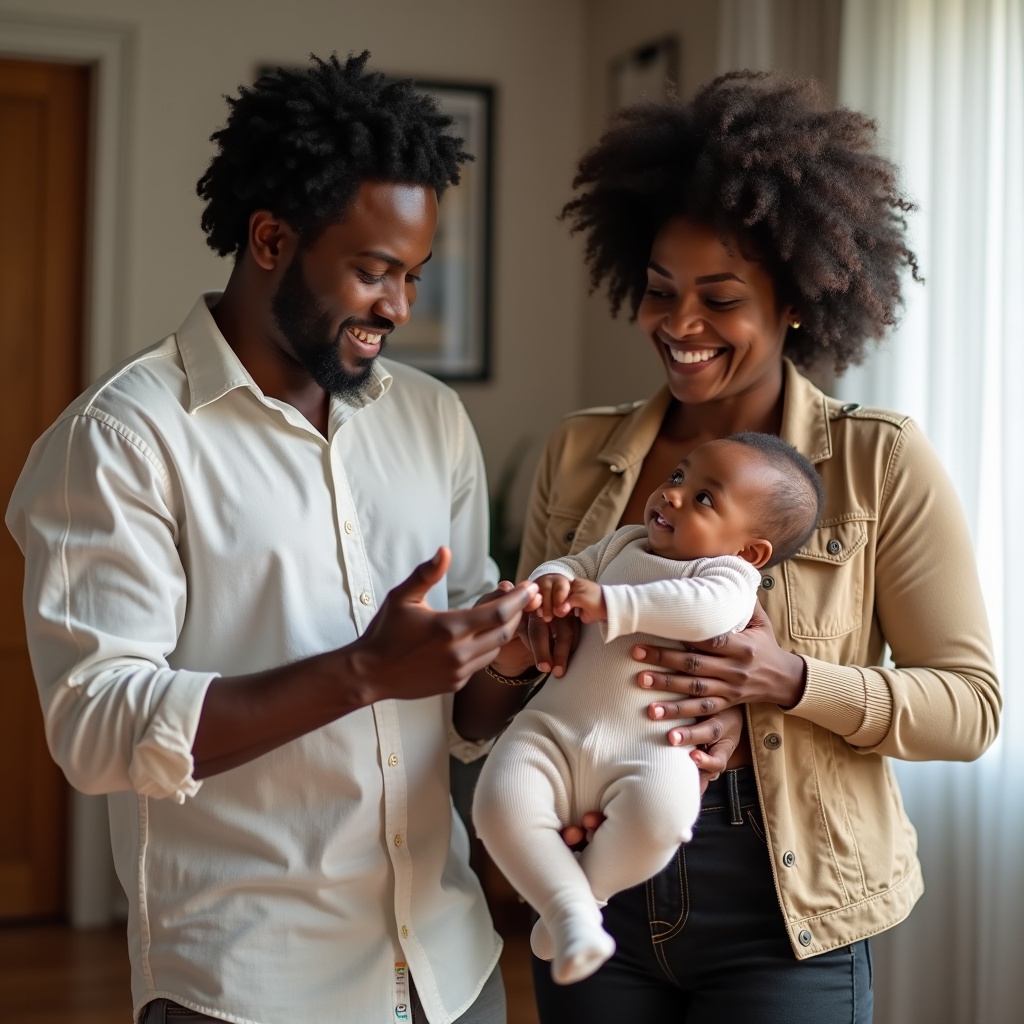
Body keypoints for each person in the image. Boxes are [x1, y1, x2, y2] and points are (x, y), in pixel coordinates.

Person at [5, 52, 549, 1024]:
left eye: (415, 277)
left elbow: (461, 715)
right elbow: (96, 729)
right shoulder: (125, 439)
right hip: (252, 987)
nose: (398, 309)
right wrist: (362, 672)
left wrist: (502, 661)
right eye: (374, 272)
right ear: (269, 239)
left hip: (454, 971)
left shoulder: (430, 422)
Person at [511, 71, 1000, 1023]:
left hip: (786, 916)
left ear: (799, 301)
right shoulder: (579, 454)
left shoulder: (877, 462)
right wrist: (521, 654)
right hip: (595, 884)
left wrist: (791, 679)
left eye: (719, 298)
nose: (679, 326)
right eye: (659, 293)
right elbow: (515, 694)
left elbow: (971, 708)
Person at [473, 433, 824, 987]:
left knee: (662, 817)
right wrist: (548, 585)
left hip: (655, 749)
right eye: (679, 477)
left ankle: (582, 901)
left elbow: (701, 613)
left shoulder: (729, 580)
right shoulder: (622, 545)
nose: (674, 495)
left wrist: (612, 603)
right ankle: (570, 911)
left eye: (705, 499)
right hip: (552, 731)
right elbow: (568, 562)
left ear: (750, 551)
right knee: (498, 802)